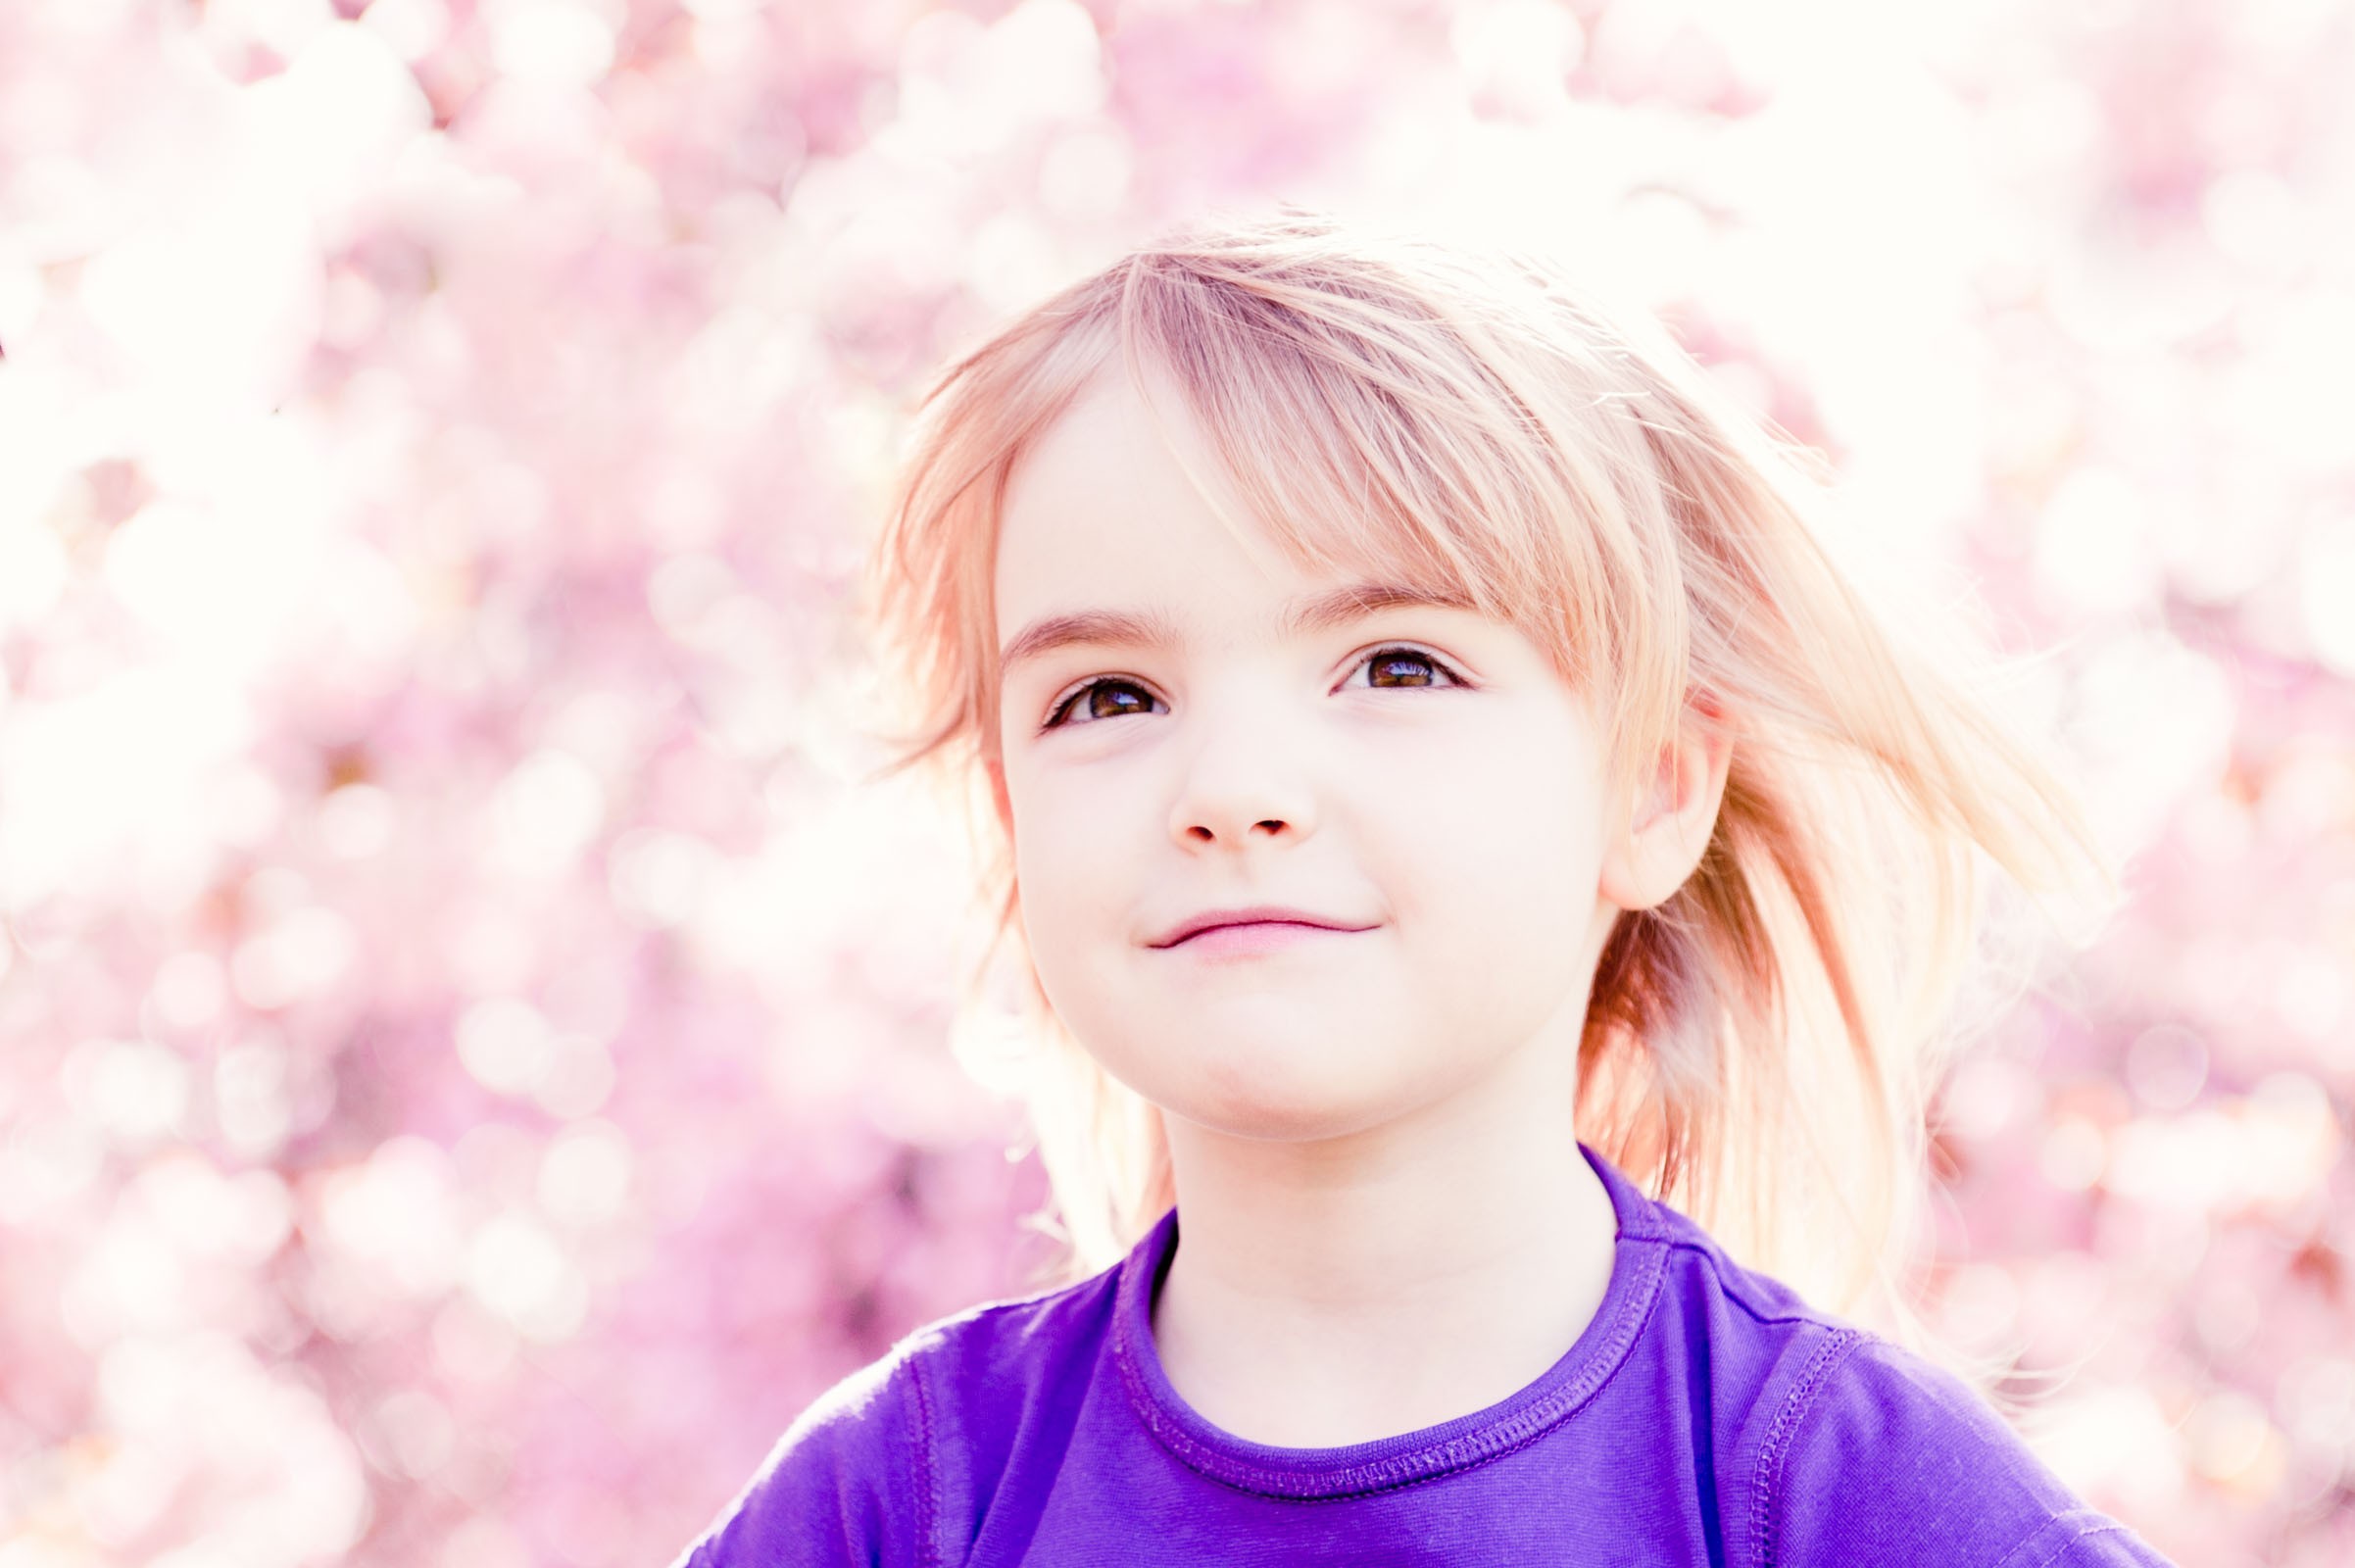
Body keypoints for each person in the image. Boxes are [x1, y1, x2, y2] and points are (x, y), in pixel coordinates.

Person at [671, 209, 2179, 1565]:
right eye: (1109, 696)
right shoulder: (898, 1507)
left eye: (1396, 665)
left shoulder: (1836, 1499)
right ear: (1009, 815)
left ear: (1655, 785)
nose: (1231, 790)